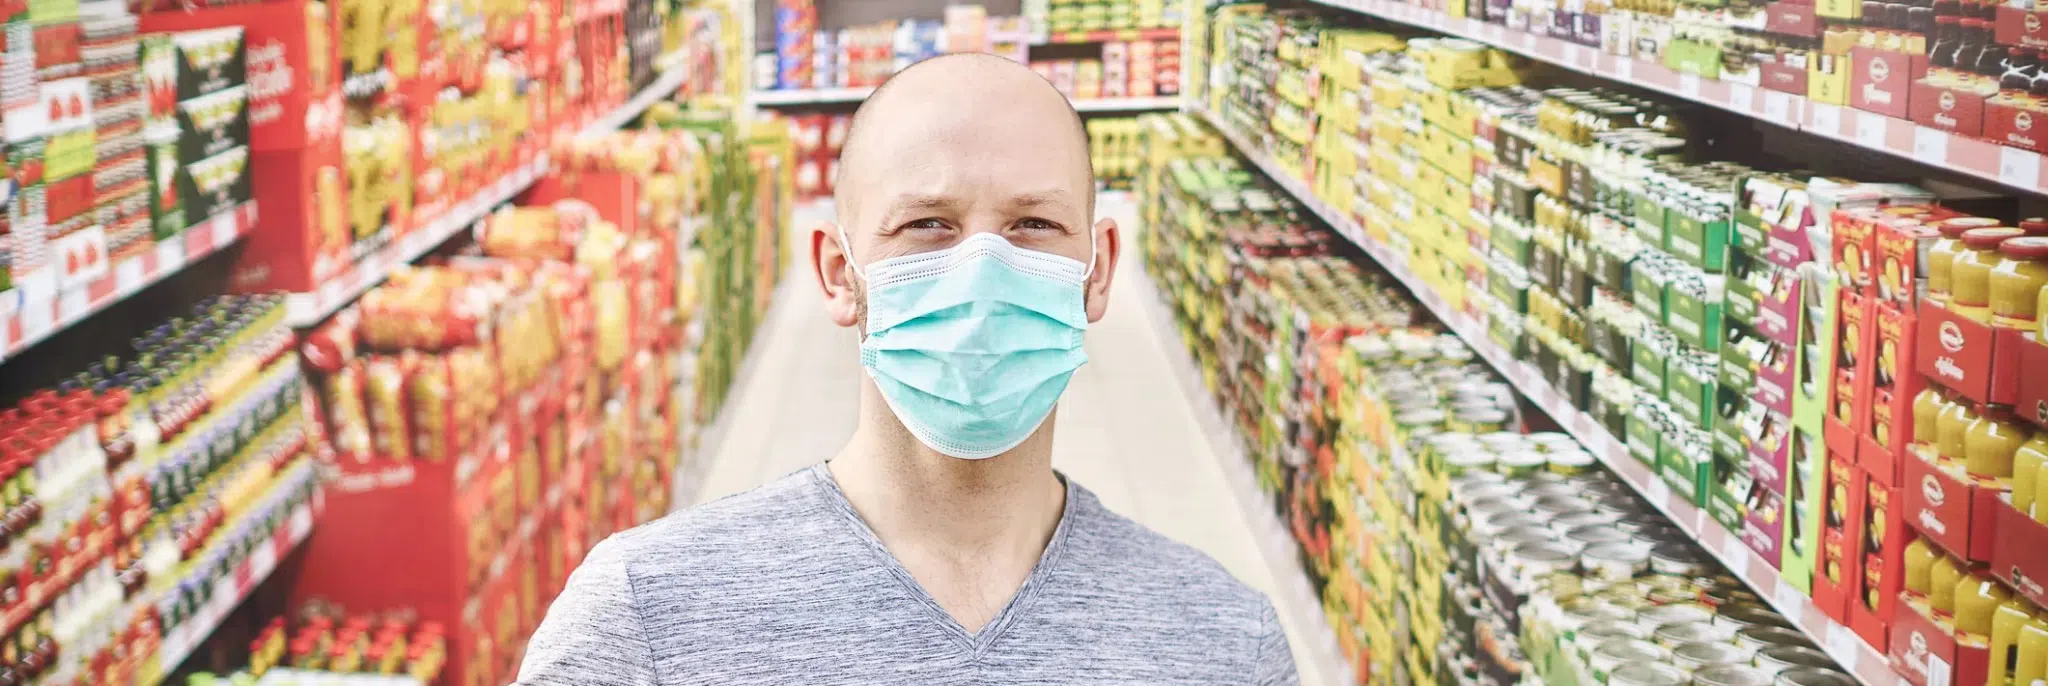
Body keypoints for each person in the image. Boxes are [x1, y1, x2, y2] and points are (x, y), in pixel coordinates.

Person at [516, 53, 1300, 685]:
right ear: (837, 272)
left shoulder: (1229, 644)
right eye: (927, 225)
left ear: (1097, 273)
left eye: (1034, 224)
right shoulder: (643, 617)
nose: (980, 270)